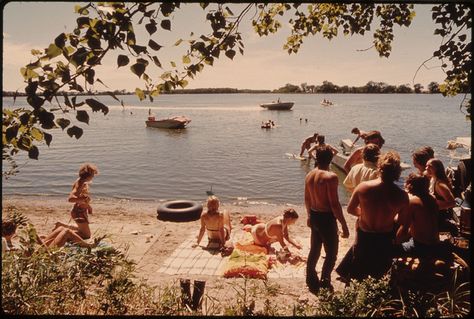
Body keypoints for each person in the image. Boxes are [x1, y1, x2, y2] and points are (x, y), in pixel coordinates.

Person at [337, 151, 409, 281]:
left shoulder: (363, 187)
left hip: (365, 233)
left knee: (359, 267)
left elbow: (351, 209)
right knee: (379, 270)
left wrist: (364, 213)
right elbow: (402, 221)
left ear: (379, 168)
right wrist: (390, 216)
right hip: (384, 236)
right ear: (397, 172)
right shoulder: (402, 196)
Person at [304, 145, 350, 293]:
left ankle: (311, 279)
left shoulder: (310, 174)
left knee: (315, 250)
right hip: (326, 218)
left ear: (317, 158)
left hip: (315, 214)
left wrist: (309, 216)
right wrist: (343, 224)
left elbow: (307, 199)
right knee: (331, 253)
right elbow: (334, 204)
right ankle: (325, 281)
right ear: (330, 159)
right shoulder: (331, 177)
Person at [394, 173, 440, 259]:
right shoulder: (432, 198)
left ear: (410, 185)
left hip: (421, 246)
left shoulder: (413, 202)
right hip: (435, 243)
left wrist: (396, 243)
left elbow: (404, 229)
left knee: (392, 249)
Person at [55, 164, 98, 240]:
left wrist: (88, 206)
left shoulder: (81, 181)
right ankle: (64, 234)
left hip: (81, 211)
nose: (93, 176)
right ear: (89, 175)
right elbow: (71, 199)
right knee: (86, 235)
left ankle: (61, 225)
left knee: (82, 230)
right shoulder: (80, 183)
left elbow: (80, 197)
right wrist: (84, 200)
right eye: (93, 174)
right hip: (78, 212)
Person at [425, 158, 458, 236]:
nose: (427, 168)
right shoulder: (433, 178)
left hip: (439, 218)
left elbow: (452, 203)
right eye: (426, 166)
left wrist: (436, 205)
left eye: (430, 166)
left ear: (437, 169)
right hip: (433, 215)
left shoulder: (440, 185)